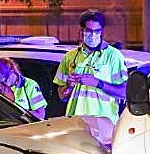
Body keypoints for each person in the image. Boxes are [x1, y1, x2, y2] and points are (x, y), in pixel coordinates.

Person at [54, 9, 127, 146]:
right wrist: (68, 86)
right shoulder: (70, 57)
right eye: (89, 31)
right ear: (82, 30)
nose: (93, 35)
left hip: (103, 126)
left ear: (102, 31)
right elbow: (61, 96)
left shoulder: (113, 56)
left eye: (97, 31)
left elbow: (124, 92)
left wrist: (98, 83)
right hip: (75, 125)